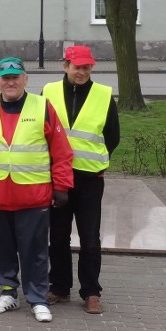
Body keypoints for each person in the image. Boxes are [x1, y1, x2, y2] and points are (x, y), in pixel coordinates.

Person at [0, 57, 74, 323]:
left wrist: (62, 186)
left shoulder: (43, 107)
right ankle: (8, 292)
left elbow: (62, 152)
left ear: (25, 79)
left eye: (15, 77)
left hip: (33, 196)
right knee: (0, 249)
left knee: (34, 251)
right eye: (5, 77)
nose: (10, 82)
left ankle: (38, 298)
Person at [43, 45, 120, 315]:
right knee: (59, 236)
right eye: (77, 67)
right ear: (66, 66)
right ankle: (60, 287)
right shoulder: (49, 93)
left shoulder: (104, 95)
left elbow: (112, 137)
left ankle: (91, 292)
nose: (82, 72)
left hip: (89, 179)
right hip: (57, 178)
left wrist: (97, 161)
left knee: (90, 237)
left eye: (87, 67)